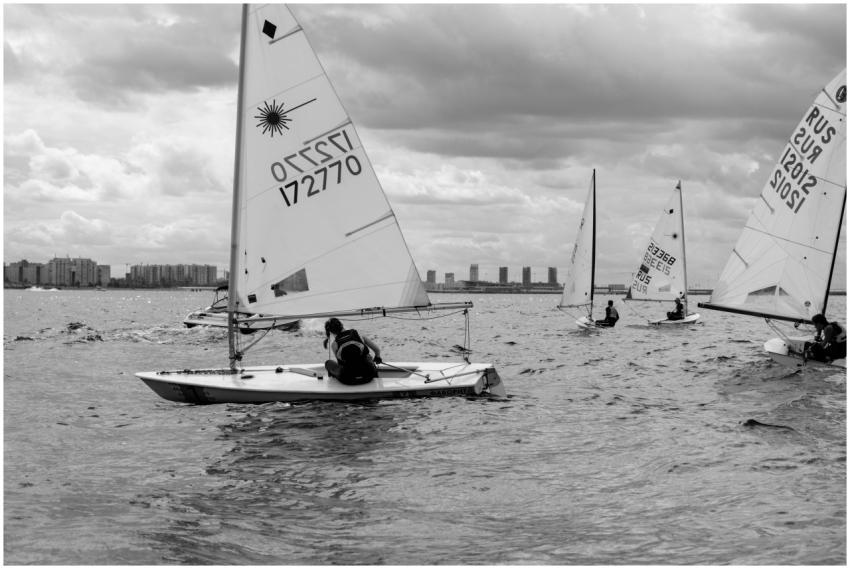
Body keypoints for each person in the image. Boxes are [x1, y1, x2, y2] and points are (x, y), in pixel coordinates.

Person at [323, 318, 383, 384]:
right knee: (367, 357)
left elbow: (341, 363)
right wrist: (377, 357)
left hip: (348, 380)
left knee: (328, 363)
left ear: (331, 332)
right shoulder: (358, 335)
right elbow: (377, 350)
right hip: (368, 376)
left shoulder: (334, 344)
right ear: (341, 325)